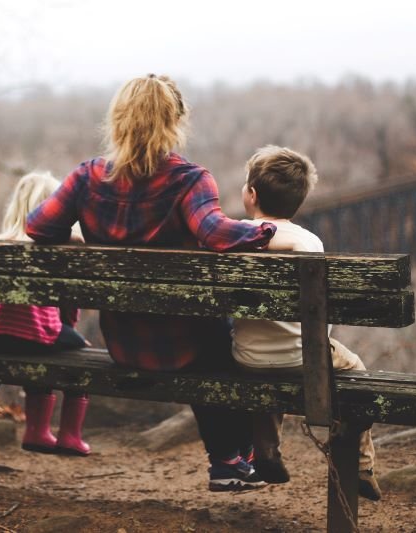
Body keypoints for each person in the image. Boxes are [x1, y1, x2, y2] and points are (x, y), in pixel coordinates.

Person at [26, 74, 277, 491]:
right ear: (176, 121)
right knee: (224, 338)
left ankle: (234, 459)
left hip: (124, 344)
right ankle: (231, 459)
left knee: (212, 335)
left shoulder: (86, 178)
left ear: (118, 120)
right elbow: (215, 233)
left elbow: (38, 227)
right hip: (187, 347)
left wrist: (74, 237)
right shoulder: (189, 180)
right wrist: (265, 230)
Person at [232, 145, 382, 500]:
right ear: (297, 202)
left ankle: (266, 450)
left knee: (266, 362)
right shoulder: (309, 242)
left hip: (247, 358)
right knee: (356, 370)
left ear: (251, 195)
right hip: (305, 358)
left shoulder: (233, 237)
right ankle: (361, 464)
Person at [0, 171, 92, 456]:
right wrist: (69, 328)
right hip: (36, 336)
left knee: (43, 345)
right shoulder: (53, 248)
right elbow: (68, 305)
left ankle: (37, 431)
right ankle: (69, 435)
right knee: (81, 354)